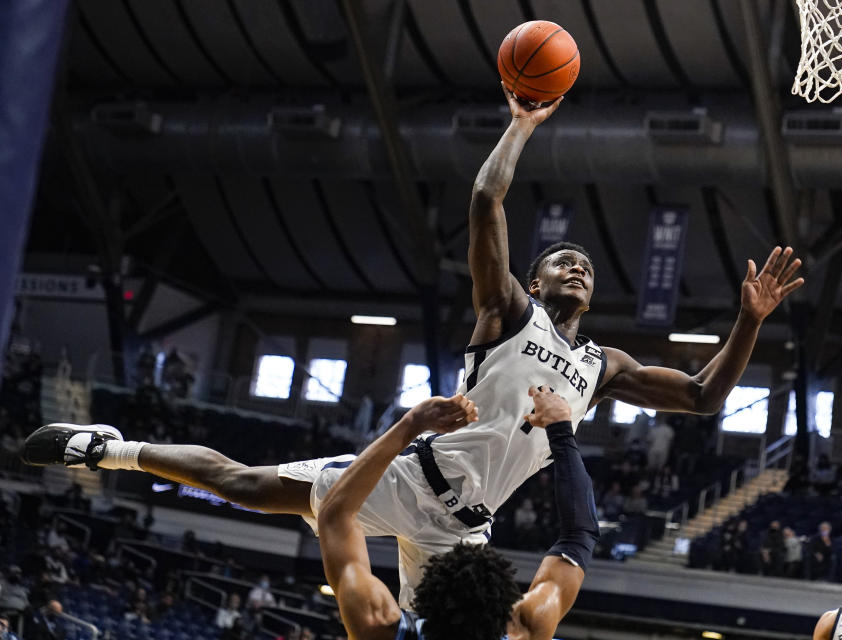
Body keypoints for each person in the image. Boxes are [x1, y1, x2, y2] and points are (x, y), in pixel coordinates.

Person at [21, 86, 802, 607]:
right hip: (408, 477)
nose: (580, 266)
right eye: (564, 259)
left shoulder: (606, 368)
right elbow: (485, 198)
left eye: (589, 266)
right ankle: (111, 449)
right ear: (532, 279)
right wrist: (523, 124)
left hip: (468, 527)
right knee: (245, 483)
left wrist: (750, 323)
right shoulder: (507, 311)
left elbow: (705, 397)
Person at [316, 387, 598, 640]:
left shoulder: (379, 626)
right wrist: (561, 429)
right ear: (507, 610)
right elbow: (579, 534)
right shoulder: (525, 630)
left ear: (423, 602)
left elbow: (335, 512)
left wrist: (412, 423)